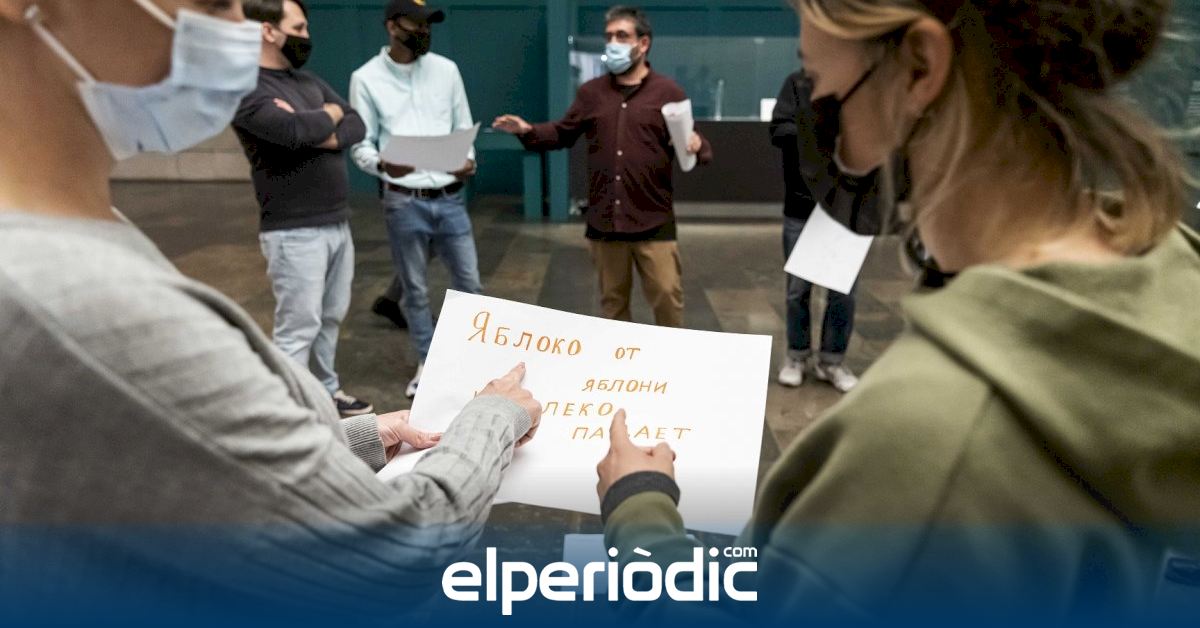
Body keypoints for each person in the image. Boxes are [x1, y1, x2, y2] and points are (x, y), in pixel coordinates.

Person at [596, 0, 1200, 621]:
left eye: (820, 80)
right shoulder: (1166, 272)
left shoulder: (927, 457)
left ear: (919, 67)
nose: (816, 105)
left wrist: (639, 508)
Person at [0, 0, 538, 618]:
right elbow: (392, 551)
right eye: (212, 3)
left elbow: (185, 455)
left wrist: (360, 438)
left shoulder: (81, 234)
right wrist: (492, 418)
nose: (239, 30)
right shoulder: (78, 304)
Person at [493, 5, 712, 328]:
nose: (613, 43)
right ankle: (619, 362)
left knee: (667, 297)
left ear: (643, 43)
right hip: (605, 221)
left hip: (653, 220)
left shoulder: (668, 92)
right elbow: (563, 132)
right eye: (609, 36)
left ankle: (669, 358)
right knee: (612, 305)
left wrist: (698, 144)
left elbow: (693, 140)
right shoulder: (591, 93)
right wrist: (528, 130)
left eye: (622, 36)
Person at [232, 0, 373, 416]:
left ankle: (325, 393)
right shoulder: (247, 89)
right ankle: (291, 412)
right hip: (293, 230)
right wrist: (324, 117)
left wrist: (322, 122)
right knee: (298, 328)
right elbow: (291, 131)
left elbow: (356, 122)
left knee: (330, 318)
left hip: (337, 222)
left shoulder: (308, 82)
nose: (306, 37)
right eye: (298, 28)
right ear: (268, 31)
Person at [350, 0, 481, 399]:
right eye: (416, 24)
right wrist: (383, 164)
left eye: (428, 25)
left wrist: (468, 159)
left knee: (470, 285)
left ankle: (473, 360)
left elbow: (462, 125)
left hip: (450, 195)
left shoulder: (446, 71)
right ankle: (428, 363)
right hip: (403, 199)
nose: (424, 31)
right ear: (393, 27)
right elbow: (361, 143)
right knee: (415, 289)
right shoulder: (366, 78)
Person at [769, 70, 860, 392]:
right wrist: (818, 133)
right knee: (798, 290)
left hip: (846, 208)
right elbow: (779, 129)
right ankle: (796, 355)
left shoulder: (858, 84)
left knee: (843, 291)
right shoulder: (797, 84)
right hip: (802, 206)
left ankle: (832, 360)